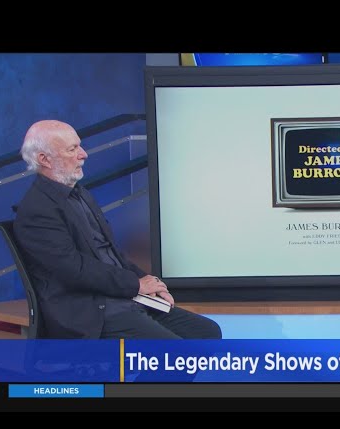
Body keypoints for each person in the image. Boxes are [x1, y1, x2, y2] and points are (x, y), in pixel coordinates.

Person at [14, 120, 222, 339]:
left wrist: (150, 283)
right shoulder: (37, 210)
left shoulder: (80, 194)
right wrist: (136, 285)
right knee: (174, 351)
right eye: (72, 149)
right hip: (91, 311)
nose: (83, 154)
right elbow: (75, 270)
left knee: (207, 332)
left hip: (120, 296)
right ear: (44, 159)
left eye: (79, 146)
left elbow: (112, 255)